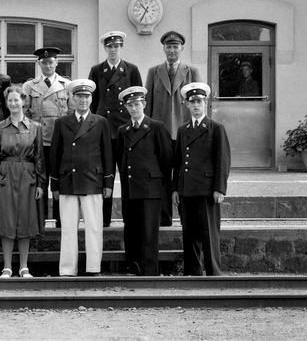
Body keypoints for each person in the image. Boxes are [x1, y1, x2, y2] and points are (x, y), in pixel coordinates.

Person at [50, 78, 113, 277]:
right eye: (78, 96)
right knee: (68, 229)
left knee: (94, 228)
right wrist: (55, 185)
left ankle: (93, 268)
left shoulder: (101, 122)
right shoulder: (62, 123)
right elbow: (55, 154)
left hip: (92, 182)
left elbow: (107, 154)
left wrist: (108, 182)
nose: (83, 100)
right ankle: (68, 269)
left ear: (91, 99)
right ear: (72, 99)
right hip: (68, 181)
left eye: (86, 97)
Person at [172, 82, 230, 276]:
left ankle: (215, 273)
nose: (196, 105)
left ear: (205, 103)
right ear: (186, 105)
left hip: (207, 190)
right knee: (189, 234)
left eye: (199, 101)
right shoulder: (183, 130)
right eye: (192, 102)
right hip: (187, 189)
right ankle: (192, 272)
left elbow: (222, 161)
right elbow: (178, 162)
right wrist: (175, 189)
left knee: (209, 235)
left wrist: (220, 188)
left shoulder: (216, 128)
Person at [0, 83, 45, 278]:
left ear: (23, 102)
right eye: (9, 100)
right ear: (6, 103)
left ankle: (24, 266)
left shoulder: (35, 127)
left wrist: (40, 183)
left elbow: (39, 157)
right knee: (7, 220)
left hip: (28, 176)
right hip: (5, 175)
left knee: (26, 219)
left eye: (16, 100)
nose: (13, 103)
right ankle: (7, 267)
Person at [115, 86, 172, 276]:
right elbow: (121, 159)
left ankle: (149, 271)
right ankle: (134, 267)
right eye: (129, 105)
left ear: (144, 104)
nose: (133, 108)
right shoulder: (123, 130)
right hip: (131, 187)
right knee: (131, 230)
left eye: (136, 104)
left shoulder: (156, 127)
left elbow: (166, 159)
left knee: (149, 232)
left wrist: (156, 181)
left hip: (150, 188)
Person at [144, 30, 199, 225]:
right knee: (163, 175)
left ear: (181, 48)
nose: (172, 50)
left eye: (175, 46)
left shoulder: (191, 71)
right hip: (161, 131)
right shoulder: (154, 71)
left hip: (185, 131)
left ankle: (186, 217)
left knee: (185, 173)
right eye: (169, 46)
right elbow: (148, 102)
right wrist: (148, 130)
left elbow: (198, 103)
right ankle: (164, 217)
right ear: (164, 49)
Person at [88, 30, 142, 227]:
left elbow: (138, 100)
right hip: (105, 128)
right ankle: (104, 219)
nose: (113, 50)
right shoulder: (96, 70)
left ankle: (131, 218)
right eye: (110, 46)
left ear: (121, 48)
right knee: (106, 174)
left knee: (128, 172)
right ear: (105, 48)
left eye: (117, 46)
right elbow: (91, 101)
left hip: (126, 129)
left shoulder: (132, 70)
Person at [23, 46, 71, 228]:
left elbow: (72, 113)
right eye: (44, 63)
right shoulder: (29, 86)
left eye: (51, 62)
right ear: (39, 64)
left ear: (57, 62)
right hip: (39, 141)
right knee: (39, 181)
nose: (48, 66)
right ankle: (39, 220)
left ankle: (61, 221)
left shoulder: (67, 85)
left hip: (60, 142)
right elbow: (25, 113)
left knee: (60, 180)